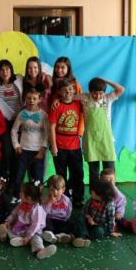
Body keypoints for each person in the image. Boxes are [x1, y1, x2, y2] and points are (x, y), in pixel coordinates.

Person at [78, 77, 125, 183]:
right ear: (90, 91)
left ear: (104, 92)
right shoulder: (84, 98)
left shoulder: (108, 99)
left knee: (109, 171)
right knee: (93, 172)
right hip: (91, 140)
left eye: (101, 93)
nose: (98, 96)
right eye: (95, 93)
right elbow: (69, 97)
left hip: (106, 139)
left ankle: (110, 196)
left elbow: (121, 89)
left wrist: (104, 80)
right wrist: (57, 101)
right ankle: (95, 196)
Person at [49, 79, 85, 208]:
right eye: (64, 90)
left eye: (70, 89)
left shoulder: (78, 103)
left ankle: (78, 198)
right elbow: (51, 127)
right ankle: (62, 198)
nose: (68, 92)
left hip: (75, 146)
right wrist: (53, 146)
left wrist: (73, 95)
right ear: (59, 92)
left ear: (75, 91)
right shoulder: (56, 106)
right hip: (60, 146)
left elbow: (87, 96)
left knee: (78, 174)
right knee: (61, 175)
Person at [11, 86, 49, 202]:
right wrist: (16, 145)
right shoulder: (22, 114)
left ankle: (37, 197)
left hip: (38, 151)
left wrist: (43, 149)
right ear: (25, 99)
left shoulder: (43, 115)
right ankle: (16, 196)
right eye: (29, 98)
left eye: (34, 98)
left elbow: (47, 134)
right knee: (19, 175)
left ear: (39, 99)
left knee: (37, 177)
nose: (31, 100)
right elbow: (14, 130)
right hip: (23, 150)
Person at [5, 181, 57, 260]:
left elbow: (35, 225)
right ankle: (21, 240)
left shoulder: (37, 209)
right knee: (8, 230)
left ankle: (40, 251)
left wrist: (28, 236)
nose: (19, 193)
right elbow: (14, 213)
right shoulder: (22, 203)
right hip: (21, 227)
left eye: (21, 192)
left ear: (28, 197)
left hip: (33, 231)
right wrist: (8, 221)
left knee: (36, 239)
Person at [0, 59, 24, 192]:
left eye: (7, 69)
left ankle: (14, 182)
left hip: (19, 121)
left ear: (11, 70)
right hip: (4, 122)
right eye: (1, 69)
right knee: (6, 152)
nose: (5, 72)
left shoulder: (19, 80)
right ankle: (3, 179)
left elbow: (40, 74)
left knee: (18, 152)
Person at [72, 179, 121, 247]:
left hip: (98, 225)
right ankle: (81, 236)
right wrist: (88, 217)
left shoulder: (109, 205)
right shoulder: (92, 199)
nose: (91, 191)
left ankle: (81, 237)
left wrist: (111, 232)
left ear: (100, 194)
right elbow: (84, 210)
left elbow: (110, 219)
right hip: (88, 221)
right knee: (79, 217)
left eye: (93, 191)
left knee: (100, 232)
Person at [41, 175, 73, 244]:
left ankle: (60, 236)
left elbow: (68, 212)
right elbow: (42, 213)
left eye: (58, 190)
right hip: (49, 220)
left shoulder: (66, 200)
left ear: (63, 190)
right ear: (49, 189)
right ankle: (50, 234)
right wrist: (49, 203)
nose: (55, 192)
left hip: (61, 221)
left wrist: (65, 220)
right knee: (44, 222)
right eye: (52, 190)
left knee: (70, 225)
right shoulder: (45, 199)